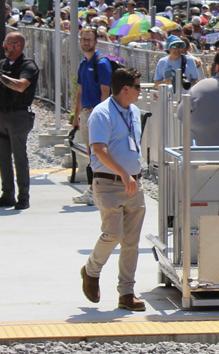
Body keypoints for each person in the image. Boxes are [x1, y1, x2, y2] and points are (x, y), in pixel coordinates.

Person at [80, 67, 147, 312]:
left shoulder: (134, 112)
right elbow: (99, 149)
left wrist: (134, 173)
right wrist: (123, 173)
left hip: (134, 184)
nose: (140, 91)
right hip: (109, 183)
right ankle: (91, 270)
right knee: (113, 234)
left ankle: (127, 293)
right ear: (125, 89)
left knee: (131, 242)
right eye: (138, 87)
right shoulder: (102, 113)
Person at [0, 32, 40, 210]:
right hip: (0, 115)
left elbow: (20, 86)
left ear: (18, 45)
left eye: (7, 43)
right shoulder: (2, 65)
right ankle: (7, 195)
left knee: (19, 158)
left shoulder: (28, 66)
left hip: (18, 115)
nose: (4, 46)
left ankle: (23, 197)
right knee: (2, 158)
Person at [71, 28, 116, 205]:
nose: (86, 42)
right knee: (92, 156)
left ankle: (95, 191)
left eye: (90, 39)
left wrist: (100, 117)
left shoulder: (101, 63)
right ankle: (95, 189)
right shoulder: (83, 64)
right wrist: (76, 116)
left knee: (99, 155)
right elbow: (80, 91)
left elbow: (105, 92)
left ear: (96, 41)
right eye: (84, 39)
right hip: (85, 113)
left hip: (95, 114)